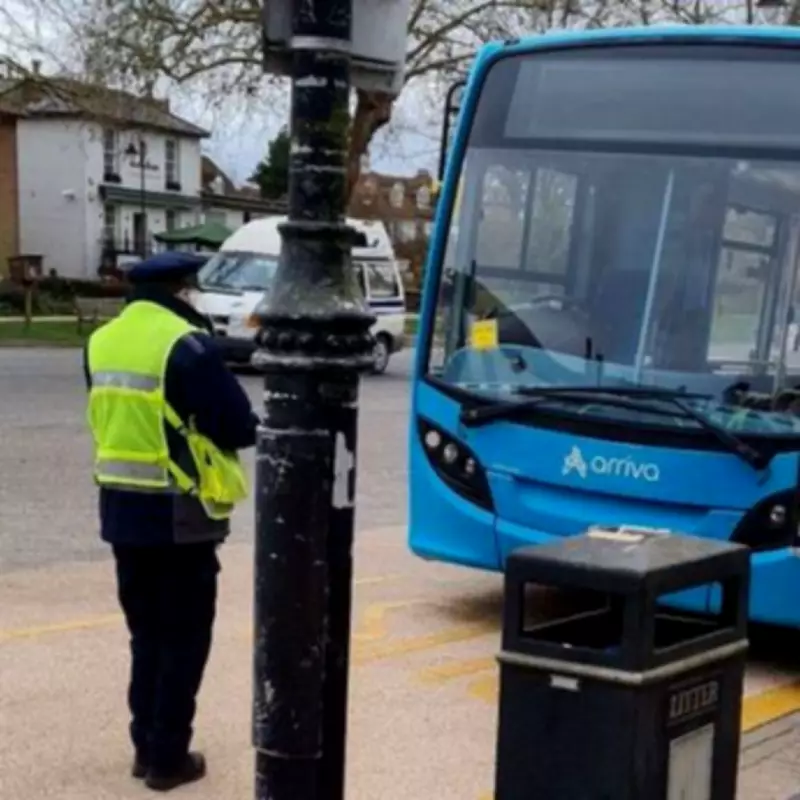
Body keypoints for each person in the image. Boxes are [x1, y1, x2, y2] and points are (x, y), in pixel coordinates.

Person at [82, 252, 259, 792]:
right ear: (182, 290)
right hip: (179, 512)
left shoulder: (100, 342)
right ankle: (168, 758)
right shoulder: (186, 345)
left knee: (146, 635)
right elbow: (239, 426)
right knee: (183, 637)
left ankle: (145, 747)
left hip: (121, 509)